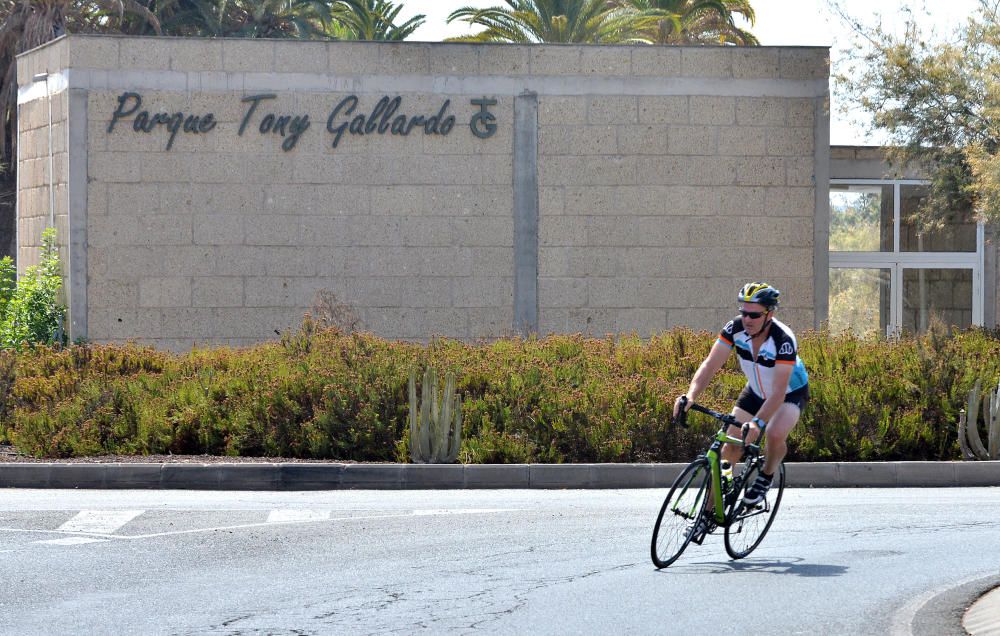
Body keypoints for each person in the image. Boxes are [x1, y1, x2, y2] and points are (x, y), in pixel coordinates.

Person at [672, 282, 809, 507]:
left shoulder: (783, 340)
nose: (747, 319)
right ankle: (710, 511)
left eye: (754, 315)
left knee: (774, 433)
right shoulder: (734, 329)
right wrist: (690, 396)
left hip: (788, 394)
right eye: (743, 312)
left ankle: (766, 475)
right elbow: (710, 365)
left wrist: (757, 423)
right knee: (730, 446)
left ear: (769, 314)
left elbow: (777, 393)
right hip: (755, 392)